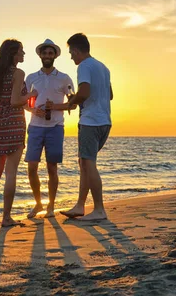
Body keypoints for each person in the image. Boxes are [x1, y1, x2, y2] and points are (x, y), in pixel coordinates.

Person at [0, 39, 37, 227]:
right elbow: (15, 101)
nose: (23, 54)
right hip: (14, 123)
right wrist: (30, 95)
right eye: (21, 51)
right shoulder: (18, 73)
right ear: (13, 54)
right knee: (11, 173)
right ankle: (6, 218)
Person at [61, 33, 113, 221]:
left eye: (71, 53)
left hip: (91, 121)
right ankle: (80, 206)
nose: (71, 57)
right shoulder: (103, 67)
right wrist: (79, 98)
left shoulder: (84, 66)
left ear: (76, 50)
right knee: (84, 162)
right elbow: (110, 94)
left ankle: (99, 209)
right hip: (105, 121)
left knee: (88, 163)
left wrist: (72, 101)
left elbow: (84, 92)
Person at [24, 39, 75, 219]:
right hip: (35, 127)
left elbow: (72, 104)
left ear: (55, 56)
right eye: (44, 53)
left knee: (52, 167)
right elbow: (24, 102)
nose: (47, 56)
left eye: (50, 53)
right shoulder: (31, 77)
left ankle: (51, 207)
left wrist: (54, 107)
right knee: (31, 168)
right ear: (40, 55)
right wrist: (32, 109)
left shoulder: (64, 78)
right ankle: (38, 204)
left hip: (55, 127)